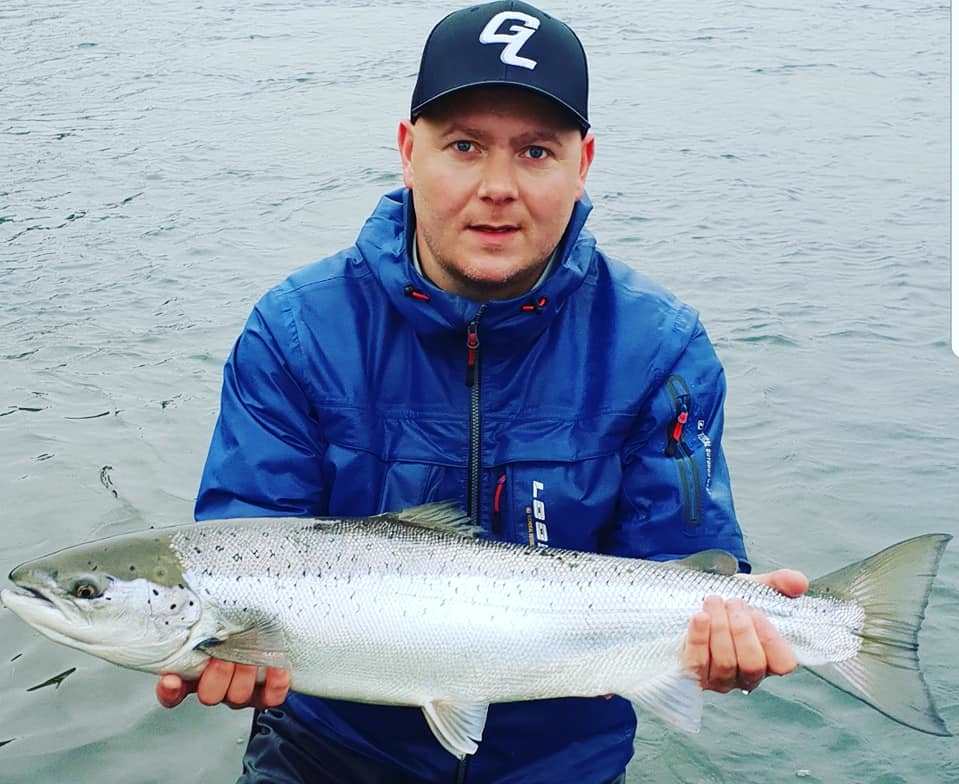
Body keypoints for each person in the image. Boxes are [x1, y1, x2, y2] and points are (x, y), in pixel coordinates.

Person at [156, 2, 808, 782]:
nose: (497, 187)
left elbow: (677, 559)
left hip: (564, 766)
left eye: (535, 151)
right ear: (408, 152)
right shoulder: (295, 330)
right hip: (321, 757)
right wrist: (231, 651)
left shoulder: (660, 347)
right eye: (464, 146)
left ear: (582, 164)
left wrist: (728, 635)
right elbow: (248, 537)